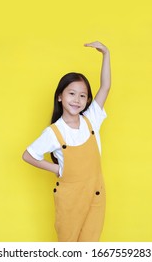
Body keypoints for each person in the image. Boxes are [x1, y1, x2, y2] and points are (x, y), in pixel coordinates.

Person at [22, 41, 111, 242]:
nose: (77, 100)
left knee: (90, 244)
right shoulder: (54, 132)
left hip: (96, 194)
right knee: (68, 245)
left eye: (82, 96)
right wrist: (57, 169)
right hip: (70, 199)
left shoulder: (92, 119)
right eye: (71, 93)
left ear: (87, 100)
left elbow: (105, 87)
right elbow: (28, 155)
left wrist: (106, 53)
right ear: (60, 96)